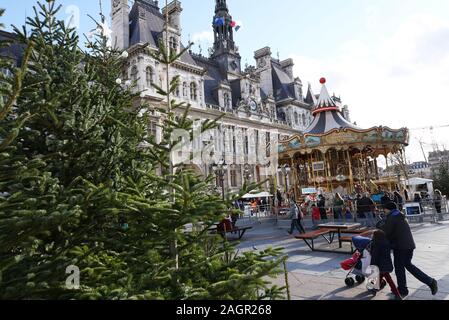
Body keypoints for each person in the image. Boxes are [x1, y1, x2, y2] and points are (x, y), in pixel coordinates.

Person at [378, 202, 438, 298]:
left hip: (401, 247)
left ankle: (403, 290)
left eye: (384, 209)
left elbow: (386, 232)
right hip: (408, 245)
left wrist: (380, 225)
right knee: (408, 265)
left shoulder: (392, 217)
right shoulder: (398, 215)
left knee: (399, 268)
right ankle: (430, 282)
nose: (383, 211)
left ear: (388, 209)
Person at [370, 229, 402, 300]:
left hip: (381, 266)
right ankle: (374, 289)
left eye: (373, 236)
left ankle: (397, 294)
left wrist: (372, 264)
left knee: (388, 279)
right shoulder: (386, 242)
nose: (372, 237)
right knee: (380, 276)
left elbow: (375, 255)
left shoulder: (377, 244)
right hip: (387, 264)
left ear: (376, 237)